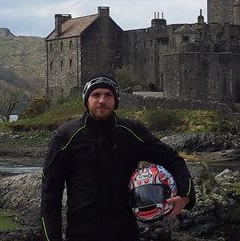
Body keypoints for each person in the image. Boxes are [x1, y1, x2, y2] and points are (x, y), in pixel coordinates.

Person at [41, 73, 196, 241]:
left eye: (108, 95)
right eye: (96, 95)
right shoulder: (66, 136)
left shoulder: (132, 132)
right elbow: (51, 193)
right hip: (81, 234)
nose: (102, 100)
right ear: (86, 99)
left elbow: (172, 159)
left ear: (116, 100)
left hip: (125, 233)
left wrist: (186, 195)